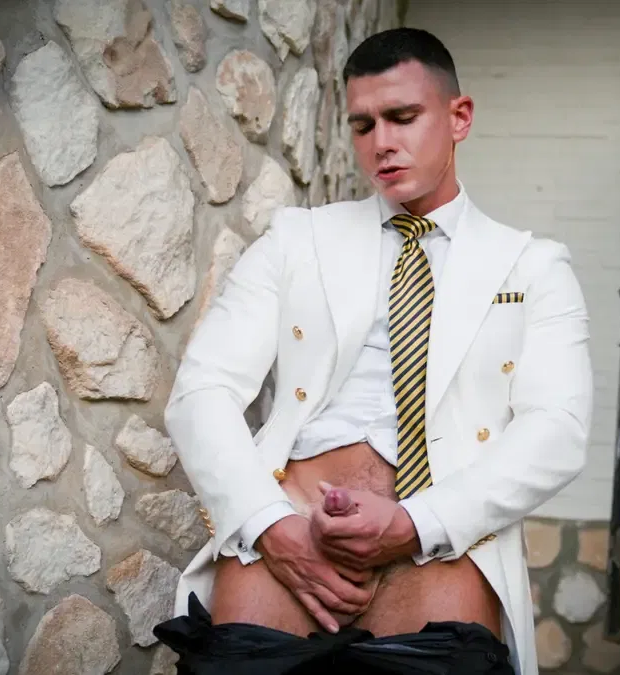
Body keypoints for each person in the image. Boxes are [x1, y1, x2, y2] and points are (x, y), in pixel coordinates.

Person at [154, 26, 593, 675]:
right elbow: (202, 391)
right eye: (362, 125)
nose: (381, 142)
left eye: (402, 117)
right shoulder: (296, 239)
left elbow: (557, 431)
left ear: (459, 116)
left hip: (440, 548)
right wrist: (271, 525)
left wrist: (416, 522)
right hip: (292, 537)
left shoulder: (534, 267)